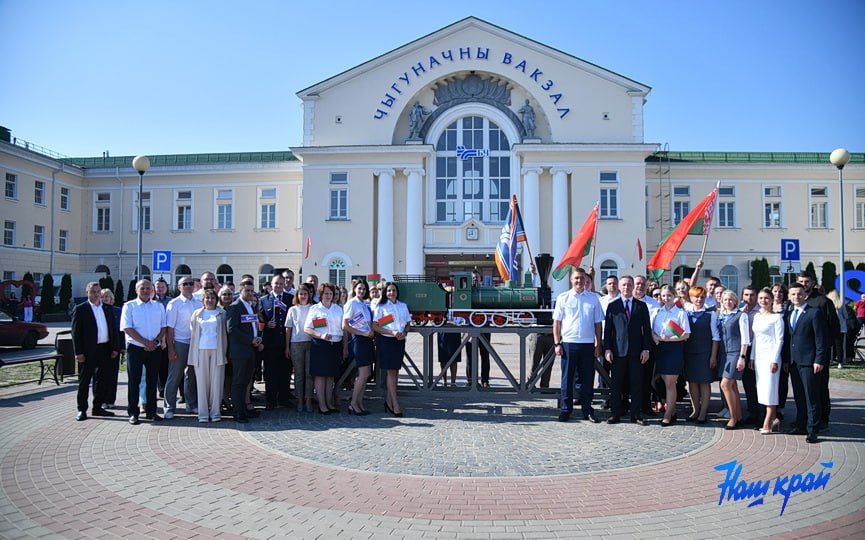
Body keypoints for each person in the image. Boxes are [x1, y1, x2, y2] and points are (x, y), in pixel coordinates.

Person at [553, 267, 604, 423]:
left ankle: (587, 410)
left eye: (582, 278)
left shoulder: (593, 298)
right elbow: (557, 322)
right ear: (571, 279)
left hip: (588, 344)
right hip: (569, 344)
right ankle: (566, 410)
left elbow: (598, 324)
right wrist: (557, 343)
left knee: (588, 379)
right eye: (576, 278)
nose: (579, 281)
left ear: (585, 280)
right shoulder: (563, 298)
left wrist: (598, 344)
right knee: (567, 380)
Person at [602, 275, 652, 426]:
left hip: (637, 352)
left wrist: (646, 349)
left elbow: (647, 330)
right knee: (616, 384)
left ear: (633, 287)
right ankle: (615, 413)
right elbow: (608, 331)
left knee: (636, 384)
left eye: (629, 285)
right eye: (623, 285)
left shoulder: (641, 306)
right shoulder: (613, 306)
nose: (626, 287)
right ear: (619, 287)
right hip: (617, 352)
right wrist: (608, 349)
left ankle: (635, 414)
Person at [784, 283, 827, 444]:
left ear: (805, 295)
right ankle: (800, 425)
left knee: (811, 397)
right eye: (793, 294)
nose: (796, 297)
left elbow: (820, 339)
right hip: (794, 362)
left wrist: (819, 360)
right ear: (789, 296)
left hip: (810, 362)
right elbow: (790, 339)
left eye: (799, 294)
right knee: (799, 396)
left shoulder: (814, 313)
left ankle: (813, 430)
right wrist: (788, 359)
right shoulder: (789, 314)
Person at [71, 282, 121, 421]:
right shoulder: (81, 309)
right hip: (87, 351)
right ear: (87, 292)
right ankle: (82, 410)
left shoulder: (107, 308)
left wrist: (115, 348)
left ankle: (98, 408)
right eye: (93, 291)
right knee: (84, 381)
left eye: (98, 291)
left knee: (102, 380)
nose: (96, 294)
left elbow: (113, 330)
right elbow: (75, 333)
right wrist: (78, 352)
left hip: (105, 349)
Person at [120, 280, 167, 424]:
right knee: (134, 381)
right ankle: (133, 413)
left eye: (148, 288)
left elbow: (163, 327)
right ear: (136, 290)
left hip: (154, 348)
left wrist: (156, 342)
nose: (146, 291)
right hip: (135, 348)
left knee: (152, 380)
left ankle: (151, 412)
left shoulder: (158, 307)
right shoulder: (129, 306)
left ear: (153, 290)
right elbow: (127, 328)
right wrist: (145, 343)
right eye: (143, 288)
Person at [796, 272, 838, 430]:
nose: (804, 284)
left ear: (813, 283)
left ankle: (822, 419)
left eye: (807, 281)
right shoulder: (795, 301)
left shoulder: (823, 302)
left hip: (818, 353)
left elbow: (833, 327)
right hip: (801, 354)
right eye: (801, 281)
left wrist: (824, 350)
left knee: (820, 387)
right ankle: (805, 419)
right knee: (803, 389)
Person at [651, 284, 691, 426]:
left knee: (670, 383)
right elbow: (652, 329)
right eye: (664, 296)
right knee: (660, 381)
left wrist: (668, 338)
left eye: (669, 295)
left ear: (674, 297)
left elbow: (685, 334)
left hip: (674, 348)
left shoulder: (680, 313)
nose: (666, 298)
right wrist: (655, 336)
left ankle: (668, 415)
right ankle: (672, 411)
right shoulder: (657, 312)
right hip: (660, 349)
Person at [162, 277, 201, 419]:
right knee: (175, 376)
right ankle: (169, 407)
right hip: (179, 343)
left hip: (195, 343)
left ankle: (191, 404)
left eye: (191, 283)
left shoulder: (198, 303)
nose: (189, 286)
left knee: (191, 376)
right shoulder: (174, 304)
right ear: (179, 287)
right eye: (185, 284)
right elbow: (169, 328)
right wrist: (171, 348)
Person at [226, 280, 264, 424]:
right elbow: (232, 329)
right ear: (240, 291)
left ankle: (244, 409)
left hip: (250, 350)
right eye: (247, 290)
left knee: (246, 382)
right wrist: (250, 340)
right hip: (240, 351)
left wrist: (257, 339)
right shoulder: (235, 307)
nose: (250, 293)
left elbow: (253, 325)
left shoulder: (250, 306)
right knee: (238, 382)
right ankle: (238, 413)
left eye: (251, 291)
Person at [188, 288, 228, 423]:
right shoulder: (197, 314)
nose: (210, 300)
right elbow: (193, 331)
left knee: (216, 383)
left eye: (212, 298)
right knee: (202, 383)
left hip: (218, 350)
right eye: (207, 298)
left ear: (216, 300)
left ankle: (216, 413)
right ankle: (203, 414)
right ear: (203, 300)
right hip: (200, 350)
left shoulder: (222, 313)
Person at [305, 282, 344, 413]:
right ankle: (322, 405)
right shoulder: (315, 309)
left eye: (330, 293)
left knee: (330, 376)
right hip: (321, 345)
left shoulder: (338, 309)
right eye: (326, 293)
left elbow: (344, 328)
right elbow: (307, 328)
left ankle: (329, 403)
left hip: (335, 345)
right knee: (321, 376)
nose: (328, 296)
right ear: (321, 295)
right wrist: (321, 335)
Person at [373, 282, 411, 417]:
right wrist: (392, 333)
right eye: (389, 290)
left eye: (393, 290)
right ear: (385, 292)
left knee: (395, 373)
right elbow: (375, 326)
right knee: (391, 373)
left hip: (399, 341)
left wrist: (404, 333)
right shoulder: (381, 307)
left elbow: (408, 323)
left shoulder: (402, 306)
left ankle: (388, 402)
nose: (391, 293)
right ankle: (395, 404)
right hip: (386, 341)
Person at [683, 286, 720, 423]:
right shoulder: (686, 313)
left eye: (702, 297)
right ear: (691, 298)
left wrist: (713, 356)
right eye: (696, 297)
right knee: (692, 382)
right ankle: (695, 410)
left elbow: (715, 337)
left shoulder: (710, 314)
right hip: (690, 353)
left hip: (705, 353)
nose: (699, 299)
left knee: (704, 382)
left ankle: (703, 412)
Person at [751, 288, 784, 434]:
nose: (763, 301)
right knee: (762, 390)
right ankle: (774, 418)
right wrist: (752, 357)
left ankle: (768, 422)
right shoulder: (757, 316)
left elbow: (780, 340)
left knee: (771, 389)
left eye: (766, 298)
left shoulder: (777, 318)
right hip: (759, 357)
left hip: (771, 357)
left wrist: (775, 359)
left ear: (772, 300)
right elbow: (755, 338)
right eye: (761, 298)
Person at [259, 274, 293, 410]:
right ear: (271, 285)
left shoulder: (290, 299)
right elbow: (260, 320)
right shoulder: (264, 300)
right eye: (276, 283)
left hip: (285, 341)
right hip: (270, 343)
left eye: (281, 283)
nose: (278, 286)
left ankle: (284, 398)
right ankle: (270, 400)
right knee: (270, 373)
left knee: (285, 372)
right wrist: (267, 324)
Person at [717, 290, 750, 430]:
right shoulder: (722, 315)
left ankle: (732, 417)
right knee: (732, 386)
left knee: (725, 385)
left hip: (735, 352)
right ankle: (739, 416)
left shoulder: (741, 315)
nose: (728, 302)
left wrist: (742, 357)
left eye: (730, 300)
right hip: (724, 353)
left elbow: (745, 339)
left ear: (735, 301)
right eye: (725, 300)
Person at [343, 279, 374, 415]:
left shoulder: (365, 304)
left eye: (363, 289)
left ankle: (359, 402)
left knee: (366, 374)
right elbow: (346, 325)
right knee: (362, 374)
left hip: (367, 339)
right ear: (354, 289)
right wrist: (363, 333)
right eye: (359, 288)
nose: (361, 291)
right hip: (359, 339)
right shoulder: (352, 303)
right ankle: (353, 403)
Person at [285, 283, 315, 412]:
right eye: (301, 294)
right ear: (297, 295)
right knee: (298, 374)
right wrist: (287, 347)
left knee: (309, 374)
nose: (303, 296)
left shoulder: (314, 308)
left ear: (309, 295)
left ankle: (308, 400)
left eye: (305, 294)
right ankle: (300, 401)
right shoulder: (292, 310)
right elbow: (288, 329)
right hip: (296, 344)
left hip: (311, 343)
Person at [739, 286, 761, 426]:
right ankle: (752, 411)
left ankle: (762, 412)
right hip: (745, 350)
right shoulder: (740, 312)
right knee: (748, 383)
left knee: (759, 383)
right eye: (746, 295)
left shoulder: (761, 312)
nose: (749, 298)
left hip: (759, 350)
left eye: (752, 294)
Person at [97, 288, 123, 410]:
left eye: (107, 296)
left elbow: (122, 331)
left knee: (112, 375)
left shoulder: (118, 311)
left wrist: (121, 347)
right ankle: (100, 400)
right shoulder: (97, 310)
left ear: (111, 298)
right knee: (100, 376)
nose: (104, 298)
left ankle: (110, 399)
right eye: (102, 296)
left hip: (114, 348)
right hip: (101, 348)